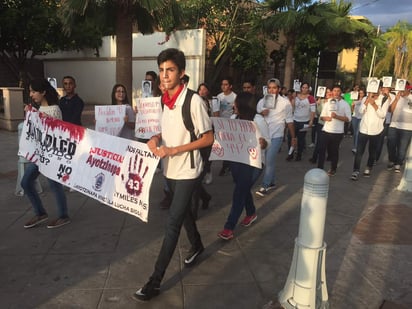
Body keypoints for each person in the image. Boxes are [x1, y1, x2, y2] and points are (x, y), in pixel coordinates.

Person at [133, 48, 213, 302]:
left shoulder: (193, 101)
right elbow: (165, 131)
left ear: (181, 74)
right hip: (169, 169)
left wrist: (176, 149)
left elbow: (208, 137)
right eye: (161, 70)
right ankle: (198, 244)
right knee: (184, 212)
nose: (164, 75)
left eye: (170, 70)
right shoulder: (163, 101)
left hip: (189, 170)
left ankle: (154, 281)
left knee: (172, 223)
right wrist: (156, 138)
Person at [218, 92, 269, 240]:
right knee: (243, 188)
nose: (233, 105)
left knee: (239, 191)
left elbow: (267, 140)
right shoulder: (234, 118)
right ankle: (251, 212)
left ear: (243, 105)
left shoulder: (258, 120)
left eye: (236, 103)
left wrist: (263, 143)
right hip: (237, 159)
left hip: (254, 162)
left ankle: (229, 227)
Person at [21, 78, 70, 229]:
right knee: (26, 182)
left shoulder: (54, 109)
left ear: (43, 92)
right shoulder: (38, 109)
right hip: (38, 154)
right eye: (30, 91)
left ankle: (63, 215)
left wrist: (38, 117)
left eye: (34, 91)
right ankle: (40, 213)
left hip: (50, 154)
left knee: (54, 184)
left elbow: (56, 132)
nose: (31, 94)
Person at [255, 78, 296, 196]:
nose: (272, 90)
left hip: (277, 135)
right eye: (269, 88)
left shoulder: (285, 103)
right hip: (263, 135)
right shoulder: (262, 101)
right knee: (266, 159)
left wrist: (293, 137)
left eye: (274, 88)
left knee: (269, 160)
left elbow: (289, 121)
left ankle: (265, 185)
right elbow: (256, 115)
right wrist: (261, 113)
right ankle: (272, 182)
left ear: (278, 89)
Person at [350, 87, 390, 180]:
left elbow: (382, 114)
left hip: (376, 130)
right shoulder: (365, 98)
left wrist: (374, 104)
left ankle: (369, 167)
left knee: (372, 151)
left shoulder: (384, 99)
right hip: (363, 129)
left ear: (379, 89)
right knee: (359, 151)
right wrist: (367, 100)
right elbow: (360, 111)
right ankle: (355, 170)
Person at [317, 85, 351, 176]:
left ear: (341, 92)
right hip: (326, 130)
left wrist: (337, 117)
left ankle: (333, 169)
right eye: (334, 91)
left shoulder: (345, 104)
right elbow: (322, 116)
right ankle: (319, 168)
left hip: (337, 132)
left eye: (338, 91)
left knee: (334, 151)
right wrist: (325, 118)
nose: (336, 92)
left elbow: (348, 119)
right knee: (321, 150)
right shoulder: (328, 103)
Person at [213, 77, 237, 176]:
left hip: (230, 124)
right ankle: (226, 164)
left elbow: (236, 110)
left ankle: (226, 165)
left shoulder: (234, 96)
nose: (224, 86)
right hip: (220, 124)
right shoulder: (219, 96)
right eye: (222, 84)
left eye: (226, 84)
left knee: (229, 146)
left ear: (230, 86)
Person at [386, 84, 412, 173]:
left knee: (402, 148)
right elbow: (390, 110)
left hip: (407, 128)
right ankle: (392, 159)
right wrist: (396, 100)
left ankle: (398, 163)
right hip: (394, 125)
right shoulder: (396, 97)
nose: (402, 91)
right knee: (390, 145)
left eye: (404, 89)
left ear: (408, 89)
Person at [287, 82, 315, 161]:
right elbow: (292, 107)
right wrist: (292, 98)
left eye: (306, 88)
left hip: (304, 121)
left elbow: (313, 111)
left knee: (301, 139)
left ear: (308, 89)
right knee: (291, 137)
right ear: (300, 88)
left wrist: (311, 120)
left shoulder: (311, 98)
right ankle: (290, 153)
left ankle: (299, 155)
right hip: (295, 120)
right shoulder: (296, 96)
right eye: (303, 87)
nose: (304, 89)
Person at [309, 87, 332, 164]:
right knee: (319, 141)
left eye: (329, 92)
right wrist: (317, 105)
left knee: (328, 142)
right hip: (321, 124)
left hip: (330, 125)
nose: (328, 94)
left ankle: (329, 156)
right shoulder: (321, 101)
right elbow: (318, 113)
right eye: (327, 92)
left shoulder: (334, 102)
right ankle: (314, 158)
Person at [197, 82, 213, 185]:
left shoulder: (212, 102)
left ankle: (208, 172)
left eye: (204, 89)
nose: (202, 91)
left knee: (208, 155)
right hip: (199, 132)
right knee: (201, 154)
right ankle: (201, 173)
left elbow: (215, 116)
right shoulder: (196, 102)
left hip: (209, 131)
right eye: (200, 89)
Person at [351, 88, 366, 154]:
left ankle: (356, 147)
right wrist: (352, 106)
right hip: (354, 117)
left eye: (362, 93)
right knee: (355, 133)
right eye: (359, 93)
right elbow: (352, 110)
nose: (361, 94)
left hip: (361, 117)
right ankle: (355, 145)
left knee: (357, 133)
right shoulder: (355, 100)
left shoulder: (365, 99)